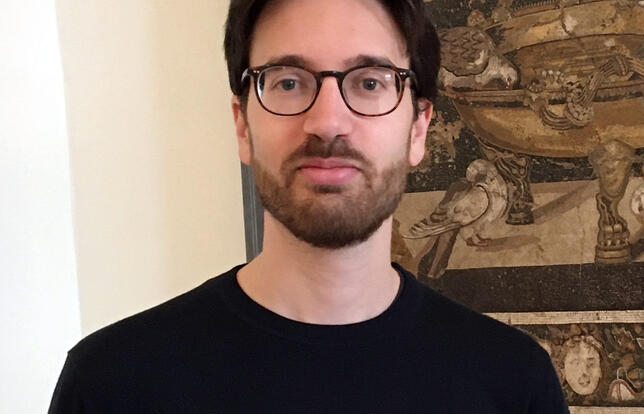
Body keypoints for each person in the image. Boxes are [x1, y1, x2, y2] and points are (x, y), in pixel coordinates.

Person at [49, 0, 570, 412]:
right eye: (289, 82)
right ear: (242, 125)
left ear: (418, 128)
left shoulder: (513, 385)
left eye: (369, 82)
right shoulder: (112, 384)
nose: (327, 122)